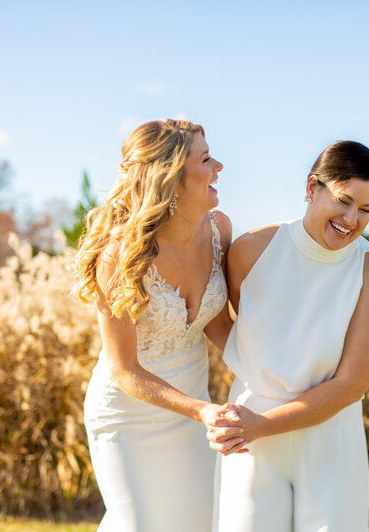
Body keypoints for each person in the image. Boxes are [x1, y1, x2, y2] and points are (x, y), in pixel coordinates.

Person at [208, 140, 369, 532]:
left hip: (329, 441)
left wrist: (264, 424)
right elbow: (238, 329)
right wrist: (249, 419)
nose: (351, 219)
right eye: (343, 201)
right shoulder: (251, 251)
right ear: (312, 188)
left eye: (365, 210)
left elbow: (350, 385)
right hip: (248, 434)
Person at [74, 119, 244, 531]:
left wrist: (274, 372)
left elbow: (219, 326)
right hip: (127, 417)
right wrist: (202, 410)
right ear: (169, 176)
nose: (219, 165)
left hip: (193, 416)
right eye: (205, 159)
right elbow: (123, 369)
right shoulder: (121, 254)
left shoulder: (219, 229)